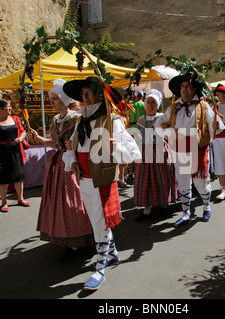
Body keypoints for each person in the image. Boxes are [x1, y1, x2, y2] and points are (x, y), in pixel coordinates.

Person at [62, 76, 141, 290]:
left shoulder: (113, 120)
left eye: (89, 93)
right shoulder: (80, 121)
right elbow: (71, 150)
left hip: (103, 181)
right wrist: (72, 162)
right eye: (83, 94)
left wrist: (116, 148)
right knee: (97, 222)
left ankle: (99, 269)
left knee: (99, 224)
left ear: (100, 95)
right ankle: (112, 253)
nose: (85, 97)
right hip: (84, 181)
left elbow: (134, 153)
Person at [29, 79, 94, 259]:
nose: (52, 102)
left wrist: (75, 144)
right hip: (58, 164)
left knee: (75, 202)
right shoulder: (56, 119)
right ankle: (68, 238)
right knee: (60, 204)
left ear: (65, 100)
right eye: (51, 99)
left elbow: (85, 140)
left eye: (55, 99)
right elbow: (56, 144)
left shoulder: (77, 117)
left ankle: (84, 236)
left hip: (73, 163)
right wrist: (40, 139)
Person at [154, 73, 223, 227]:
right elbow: (158, 124)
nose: (185, 89)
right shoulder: (173, 108)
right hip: (178, 150)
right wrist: (169, 131)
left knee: (201, 182)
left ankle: (206, 206)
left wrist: (215, 127)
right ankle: (186, 213)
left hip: (197, 149)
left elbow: (216, 125)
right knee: (183, 183)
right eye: (183, 86)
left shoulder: (204, 107)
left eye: (188, 86)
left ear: (194, 89)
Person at [134, 89, 177, 218]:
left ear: (157, 105)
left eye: (153, 102)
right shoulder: (141, 120)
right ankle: (147, 208)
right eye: (148, 102)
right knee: (144, 180)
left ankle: (164, 204)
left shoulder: (162, 118)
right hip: (144, 152)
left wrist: (167, 129)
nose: (150, 105)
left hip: (160, 151)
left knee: (161, 178)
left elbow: (170, 135)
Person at [0, 99, 30, 212]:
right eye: (7, 106)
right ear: (0, 109)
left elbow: (23, 132)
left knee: (18, 176)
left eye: (10, 106)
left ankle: (20, 199)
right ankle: (4, 202)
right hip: (2, 151)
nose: (10, 108)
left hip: (16, 150)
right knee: (2, 178)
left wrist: (20, 139)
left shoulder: (15, 119)